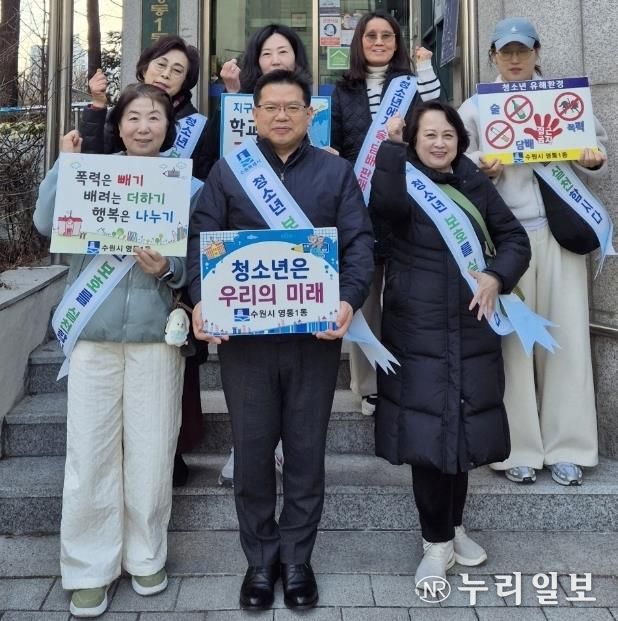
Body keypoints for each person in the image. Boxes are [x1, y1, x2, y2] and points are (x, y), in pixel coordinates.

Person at [188, 70, 374, 610]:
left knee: (305, 452)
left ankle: (296, 559)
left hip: (312, 339)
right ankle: (259, 560)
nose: (282, 116)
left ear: (310, 114)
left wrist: (349, 299)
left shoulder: (335, 173)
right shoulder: (229, 171)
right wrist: (201, 299)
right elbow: (201, 241)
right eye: (270, 107)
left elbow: (359, 243)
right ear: (255, 114)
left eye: (293, 107)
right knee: (251, 454)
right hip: (246, 343)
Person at [34, 83, 197, 618]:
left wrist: (169, 268)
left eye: (154, 117)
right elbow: (46, 224)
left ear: (168, 127)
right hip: (93, 336)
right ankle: (88, 568)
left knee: (152, 450)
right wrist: (65, 164)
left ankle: (146, 555)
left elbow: (200, 258)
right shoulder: (89, 175)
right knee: (90, 452)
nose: (144, 127)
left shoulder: (188, 185)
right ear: (119, 126)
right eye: (133, 117)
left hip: (156, 338)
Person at [370, 100, 531, 589]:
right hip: (415, 331)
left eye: (448, 135)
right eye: (429, 135)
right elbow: (383, 211)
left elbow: (514, 239)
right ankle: (435, 541)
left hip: (472, 325)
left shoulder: (473, 180)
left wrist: (497, 277)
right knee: (427, 439)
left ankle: (455, 526)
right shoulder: (400, 180)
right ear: (414, 141)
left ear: (460, 140)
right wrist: (391, 149)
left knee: (461, 432)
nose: (439, 143)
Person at [458, 17, 608, 486]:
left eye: (523, 50)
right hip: (504, 240)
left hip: (560, 234)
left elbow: (598, 149)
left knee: (566, 339)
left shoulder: (564, 98)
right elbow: (455, 161)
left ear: (537, 52)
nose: (515, 59)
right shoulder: (477, 106)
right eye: (506, 51)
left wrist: (592, 157)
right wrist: (484, 167)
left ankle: (569, 447)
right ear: (493, 56)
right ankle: (516, 447)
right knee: (513, 343)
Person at [80, 35, 213, 488]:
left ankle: (173, 450)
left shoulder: (197, 127)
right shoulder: (116, 114)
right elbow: (84, 179)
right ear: (143, 67)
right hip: (109, 278)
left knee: (170, 384)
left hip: (165, 278)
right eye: (161, 64)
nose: (166, 74)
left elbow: (204, 188)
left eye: (178, 71)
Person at [208, 24, 312, 487]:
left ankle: (286, 451)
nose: (275, 59)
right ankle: (247, 450)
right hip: (247, 282)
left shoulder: (315, 116)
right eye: (266, 53)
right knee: (251, 391)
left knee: (297, 392)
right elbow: (208, 222)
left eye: (283, 51)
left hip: (300, 284)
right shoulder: (236, 118)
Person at [330, 10, 441, 416]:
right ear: (359, 42)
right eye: (371, 35)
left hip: (405, 204)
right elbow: (334, 143)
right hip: (358, 206)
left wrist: (425, 69)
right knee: (364, 298)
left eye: (387, 36)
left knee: (407, 298)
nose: (379, 42)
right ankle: (369, 384)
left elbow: (437, 118)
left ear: (397, 43)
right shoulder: (341, 91)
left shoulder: (411, 84)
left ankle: (407, 379)